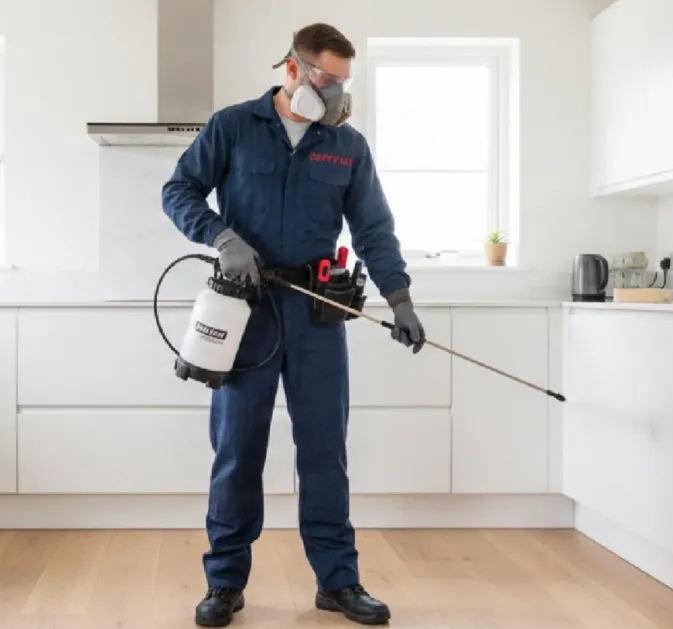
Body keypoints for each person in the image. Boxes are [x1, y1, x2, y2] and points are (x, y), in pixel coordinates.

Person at [161, 23, 425, 628]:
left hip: (317, 314)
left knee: (325, 451)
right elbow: (179, 191)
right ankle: (224, 582)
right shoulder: (233, 126)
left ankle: (337, 581)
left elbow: (374, 229)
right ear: (292, 69)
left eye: (344, 83)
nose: (336, 94)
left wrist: (400, 298)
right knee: (237, 449)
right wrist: (221, 237)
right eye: (327, 80)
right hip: (244, 312)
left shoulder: (347, 146)